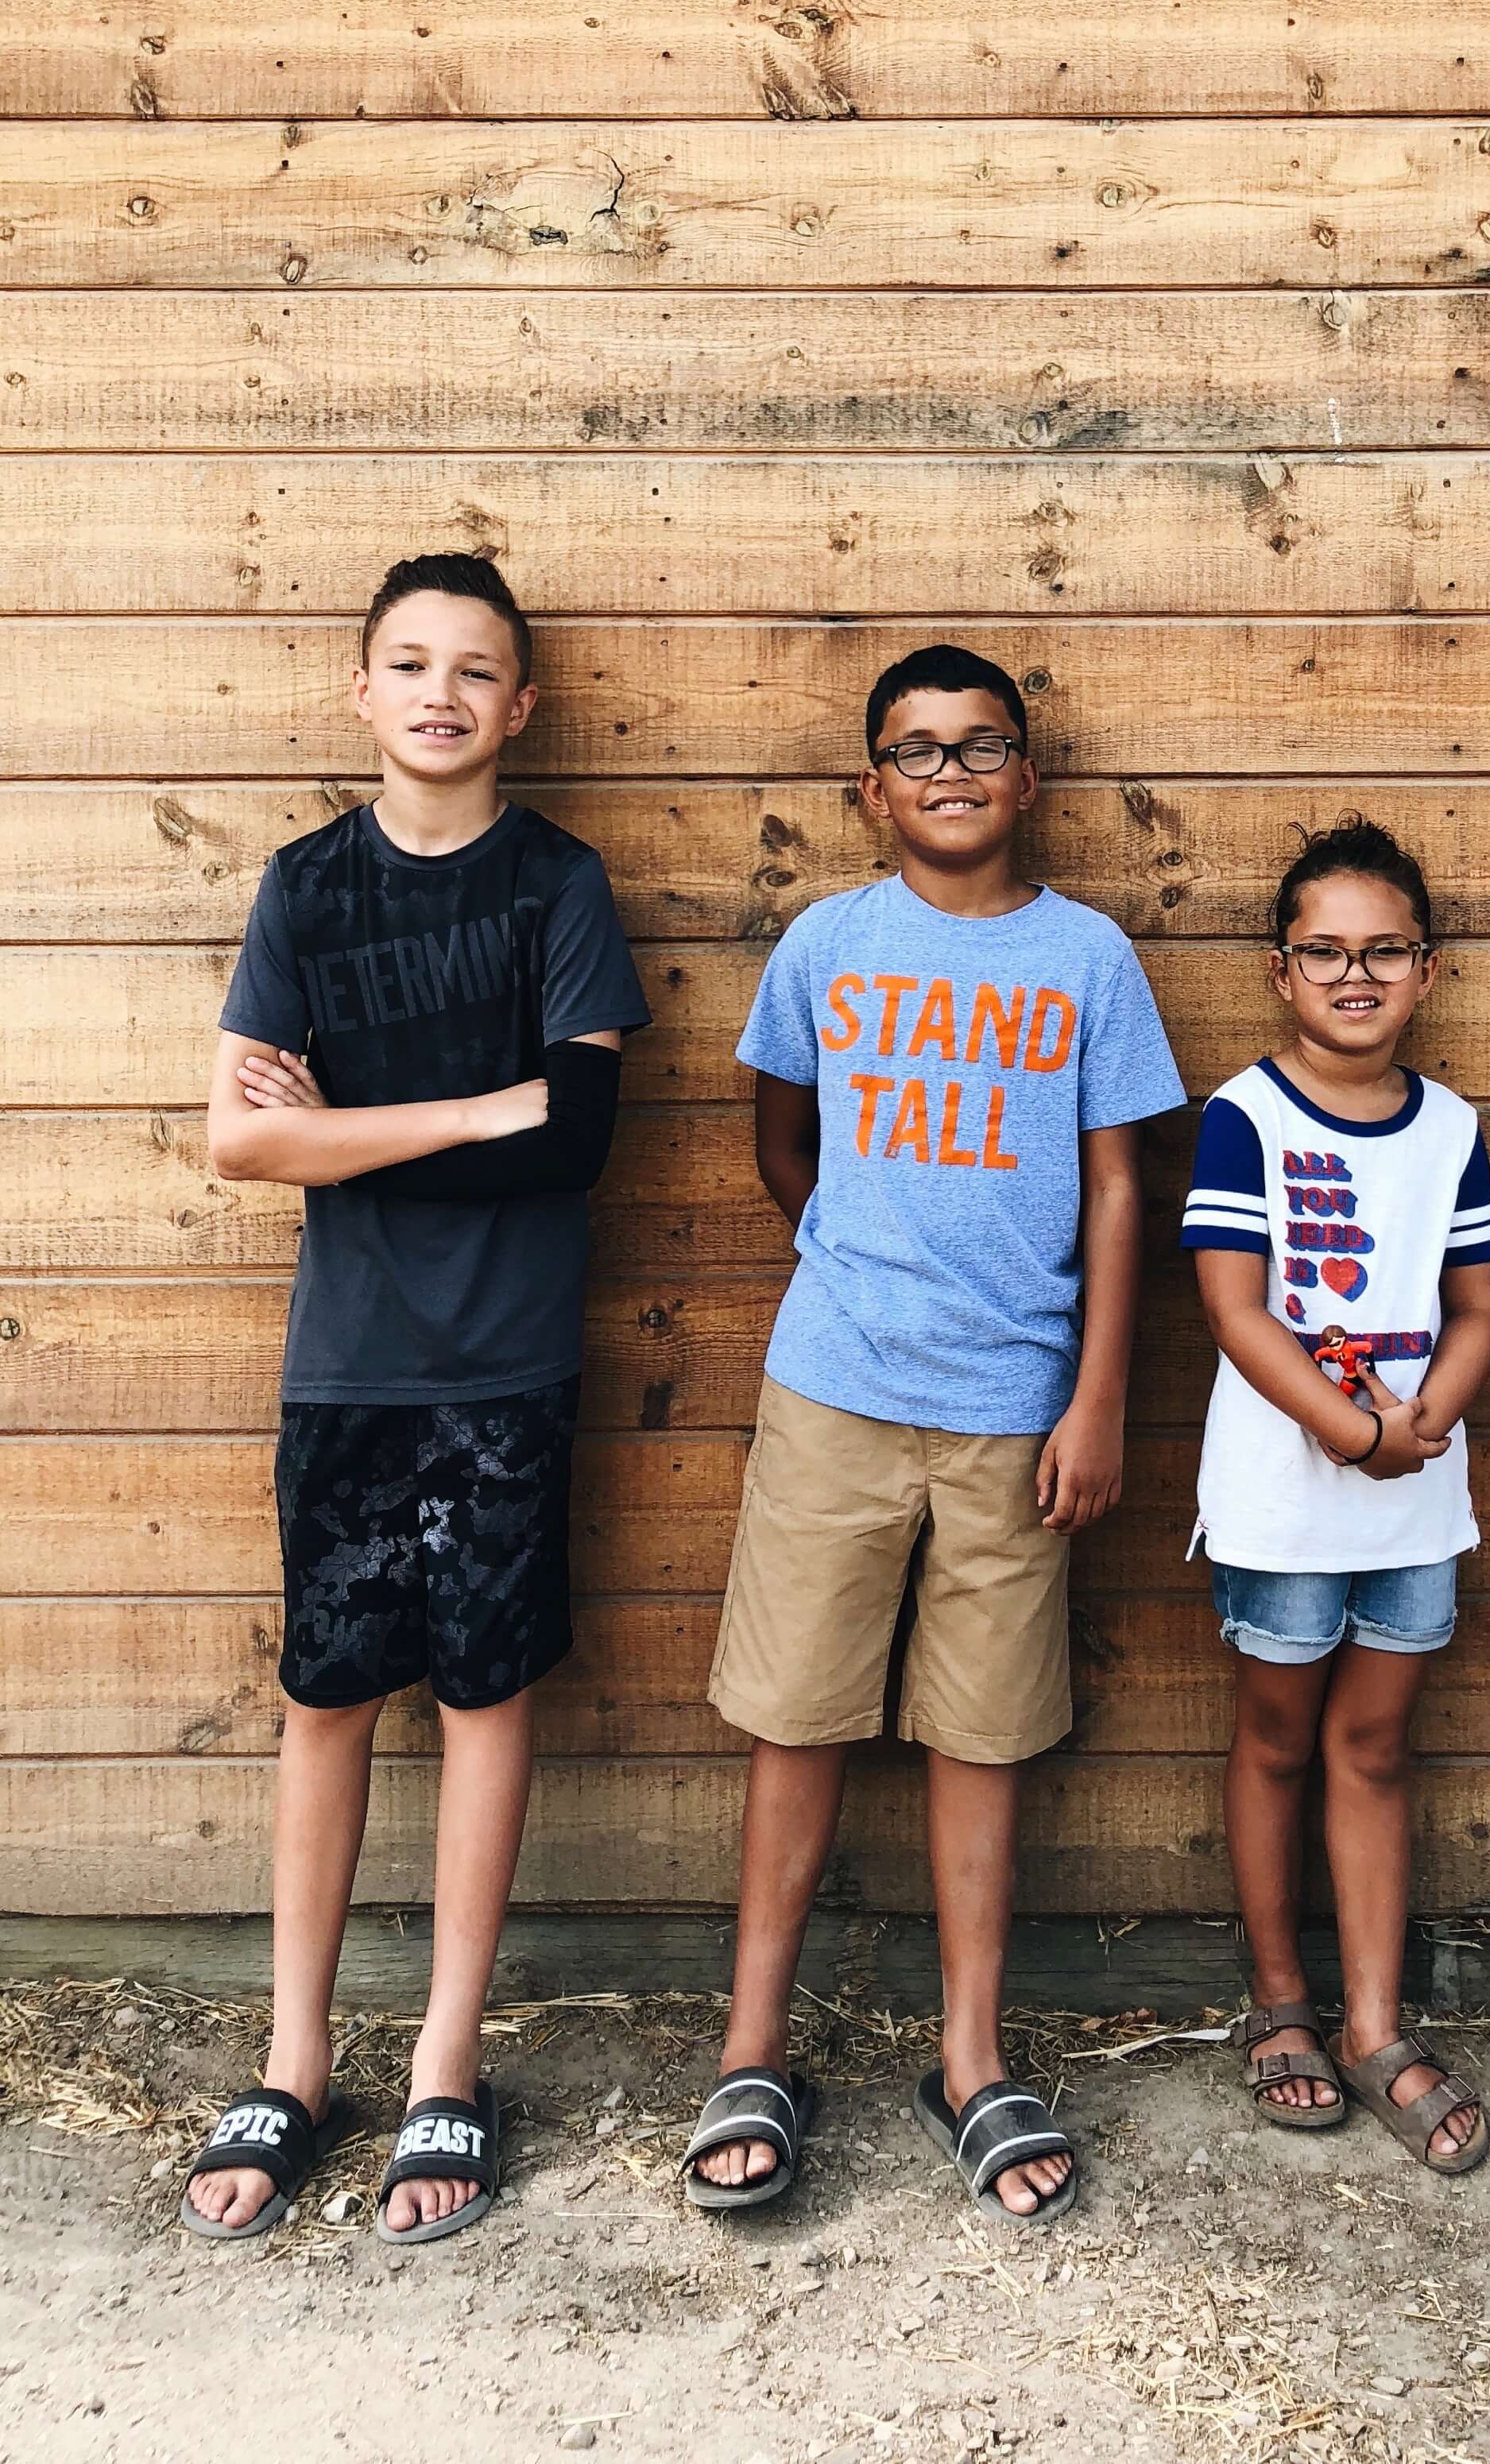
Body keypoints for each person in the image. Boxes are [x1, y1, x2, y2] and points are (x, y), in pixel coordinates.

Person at [683, 643, 1183, 2224]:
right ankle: (749, 2049)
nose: (951, 773)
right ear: (868, 786)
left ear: (1030, 777)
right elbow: (782, 1130)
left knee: (983, 1734)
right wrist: (848, 1250)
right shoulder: (828, 944)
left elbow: (1120, 1183)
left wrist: (1094, 1393)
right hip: (833, 1391)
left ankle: (969, 2055)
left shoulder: (1087, 959)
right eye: (916, 751)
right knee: (799, 1718)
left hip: (1014, 1411)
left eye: (982, 747)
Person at [182, 552, 648, 2245]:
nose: (441, 692)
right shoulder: (307, 891)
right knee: (325, 1700)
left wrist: (354, 1128)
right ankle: (296, 2059)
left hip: (507, 1374)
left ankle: (447, 2064)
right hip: (348, 1367)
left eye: (475, 670)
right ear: (359, 692)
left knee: (480, 1698)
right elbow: (241, 1142)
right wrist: (472, 1113)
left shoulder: (558, 886)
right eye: (409, 663)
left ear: (517, 707)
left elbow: (582, 1141)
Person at [1181, 817, 1490, 2176]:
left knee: (1374, 1748)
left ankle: (1376, 2021)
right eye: (1327, 951)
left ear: (1427, 971)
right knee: (1277, 1736)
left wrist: (1426, 1414)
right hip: (1286, 1496)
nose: (1355, 974)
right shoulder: (1243, 1117)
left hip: (1415, 1490)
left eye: (1384, 951)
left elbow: (1478, 1302)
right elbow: (1234, 1309)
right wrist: (1345, 1427)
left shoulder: (1454, 1130)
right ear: (1282, 967)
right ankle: (1280, 2003)